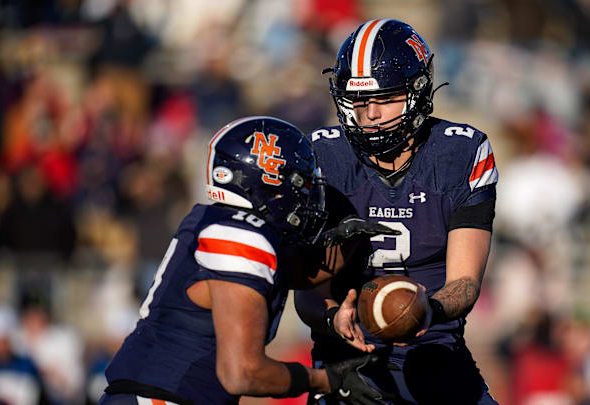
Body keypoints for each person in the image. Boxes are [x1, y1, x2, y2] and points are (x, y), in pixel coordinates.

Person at [98, 117, 394, 405]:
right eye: (299, 184)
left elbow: (300, 275)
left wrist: (350, 242)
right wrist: (326, 380)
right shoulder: (240, 236)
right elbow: (242, 373)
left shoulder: (217, 221)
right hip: (163, 396)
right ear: (268, 183)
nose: (306, 197)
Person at [295, 19, 499, 404]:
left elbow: (465, 283)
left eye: (384, 98)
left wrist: (424, 309)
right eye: (358, 101)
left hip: (435, 353)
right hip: (348, 364)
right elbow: (308, 292)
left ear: (418, 92)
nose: (370, 114)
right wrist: (332, 317)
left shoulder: (460, 153)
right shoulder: (323, 157)